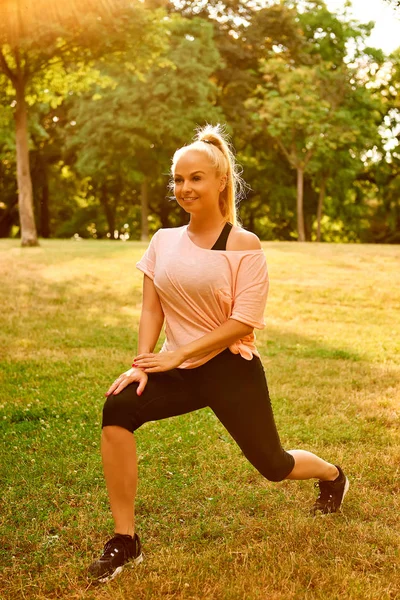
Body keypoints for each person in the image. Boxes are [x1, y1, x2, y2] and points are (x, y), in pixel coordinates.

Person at [88, 124, 349, 583]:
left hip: (230, 368)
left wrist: (179, 354)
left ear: (220, 180)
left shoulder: (243, 246)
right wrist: (143, 363)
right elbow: (152, 306)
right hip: (177, 367)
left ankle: (331, 475)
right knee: (117, 410)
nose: (185, 188)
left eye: (196, 178)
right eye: (178, 179)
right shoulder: (162, 241)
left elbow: (243, 321)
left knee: (274, 465)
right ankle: (125, 541)